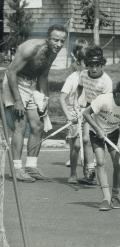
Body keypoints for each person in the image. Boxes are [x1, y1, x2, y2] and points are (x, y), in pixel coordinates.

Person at [2, 24, 67, 182]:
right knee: (20, 125)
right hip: (14, 83)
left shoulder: (53, 52)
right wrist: (17, 100)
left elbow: (43, 75)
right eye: (55, 40)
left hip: (31, 85)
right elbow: (11, 72)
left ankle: (31, 167)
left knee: (38, 125)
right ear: (48, 38)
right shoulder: (30, 48)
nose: (58, 44)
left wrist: (45, 99)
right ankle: (17, 169)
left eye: (62, 41)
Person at [83, 78, 120, 211]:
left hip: (113, 133)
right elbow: (86, 113)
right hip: (96, 133)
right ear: (119, 94)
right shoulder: (104, 100)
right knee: (101, 162)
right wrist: (97, 129)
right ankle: (106, 198)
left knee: (119, 163)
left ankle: (115, 195)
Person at [77, 45, 120, 187]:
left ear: (102, 64)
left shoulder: (106, 81)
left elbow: (108, 102)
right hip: (89, 109)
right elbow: (80, 87)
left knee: (110, 146)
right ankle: (90, 172)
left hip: (103, 113)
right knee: (86, 139)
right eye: (91, 65)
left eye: (97, 65)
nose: (93, 69)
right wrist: (78, 100)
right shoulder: (83, 75)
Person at [60, 39, 91, 184]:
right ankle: (73, 173)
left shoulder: (93, 79)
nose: (88, 66)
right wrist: (68, 115)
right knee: (76, 145)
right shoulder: (72, 78)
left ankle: (88, 173)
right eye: (86, 63)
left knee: (87, 143)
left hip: (89, 115)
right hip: (73, 115)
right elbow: (62, 98)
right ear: (79, 63)